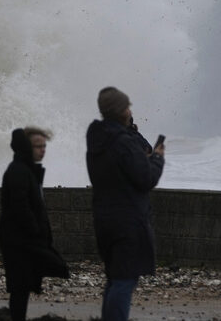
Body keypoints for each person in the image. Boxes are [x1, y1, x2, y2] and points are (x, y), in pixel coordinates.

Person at [85, 86, 165, 321]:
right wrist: (158, 158)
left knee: (115, 278)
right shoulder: (123, 142)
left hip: (104, 219)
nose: (131, 110)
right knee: (124, 280)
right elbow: (146, 178)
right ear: (121, 110)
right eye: (127, 106)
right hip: (127, 221)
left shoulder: (98, 139)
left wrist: (130, 131)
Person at [0, 126, 71, 321]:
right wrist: (36, 230)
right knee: (20, 287)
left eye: (44, 146)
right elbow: (20, 206)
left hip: (24, 239)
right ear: (26, 148)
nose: (43, 150)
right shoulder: (19, 171)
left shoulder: (28, 170)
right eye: (38, 146)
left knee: (24, 286)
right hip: (18, 240)